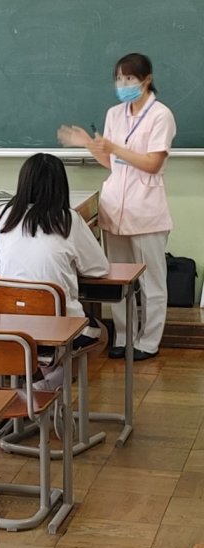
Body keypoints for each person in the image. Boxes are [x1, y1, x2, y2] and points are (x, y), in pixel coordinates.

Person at [58, 53, 176, 361]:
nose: (123, 84)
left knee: (151, 282)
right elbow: (111, 162)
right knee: (117, 279)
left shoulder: (160, 115)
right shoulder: (115, 114)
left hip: (146, 208)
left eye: (129, 78)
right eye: (119, 79)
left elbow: (152, 163)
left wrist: (115, 148)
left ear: (146, 80)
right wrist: (88, 143)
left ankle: (148, 342)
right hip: (115, 207)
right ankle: (124, 337)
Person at [0, 153, 110, 379]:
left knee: (45, 339)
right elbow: (99, 269)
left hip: (11, 324)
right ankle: (48, 385)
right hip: (59, 325)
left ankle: (39, 382)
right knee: (101, 334)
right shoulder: (68, 219)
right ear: (60, 186)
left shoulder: (5, 215)